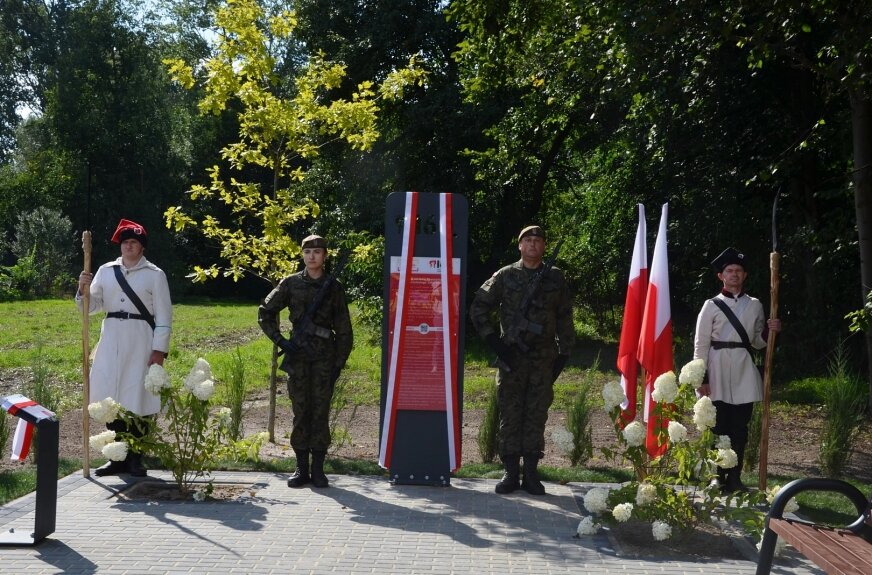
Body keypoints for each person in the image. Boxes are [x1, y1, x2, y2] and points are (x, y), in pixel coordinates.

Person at [469, 225, 574, 495]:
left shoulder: (555, 277)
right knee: (510, 414)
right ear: (519, 245)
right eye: (527, 240)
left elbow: (564, 316)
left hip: (542, 360)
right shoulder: (505, 275)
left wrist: (563, 355)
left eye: (538, 241)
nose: (533, 245)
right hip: (512, 358)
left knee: (536, 415)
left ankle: (531, 474)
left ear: (544, 246)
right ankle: (510, 473)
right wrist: (495, 342)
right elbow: (479, 307)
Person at [76, 219, 172, 477]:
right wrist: (83, 289)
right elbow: (92, 307)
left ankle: (135, 458)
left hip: (140, 339)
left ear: (142, 247)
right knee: (110, 396)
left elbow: (164, 317)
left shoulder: (155, 275)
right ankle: (116, 458)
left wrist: (159, 351)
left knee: (137, 397)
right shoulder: (106, 270)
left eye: (134, 243)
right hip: (111, 338)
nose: (128, 246)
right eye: (125, 242)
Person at [258, 235, 353, 488]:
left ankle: (319, 470)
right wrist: (280, 341)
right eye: (308, 251)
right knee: (300, 411)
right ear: (302, 254)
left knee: (320, 412)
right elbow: (265, 312)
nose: (312, 256)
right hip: (298, 356)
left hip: (324, 357)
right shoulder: (290, 284)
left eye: (317, 251)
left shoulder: (334, 287)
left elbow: (344, 328)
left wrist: (339, 362)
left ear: (325, 256)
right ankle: (301, 468)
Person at [693, 247, 781, 493]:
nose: (734, 274)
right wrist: (703, 377)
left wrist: (770, 331)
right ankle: (715, 476)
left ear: (744, 276)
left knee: (739, 430)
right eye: (729, 271)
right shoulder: (710, 305)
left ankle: (734, 478)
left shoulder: (755, 305)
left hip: (743, 370)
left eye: (738, 271)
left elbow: (756, 341)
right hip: (716, 368)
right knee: (718, 428)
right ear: (721, 276)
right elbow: (700, 344)